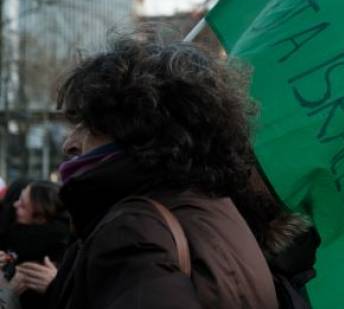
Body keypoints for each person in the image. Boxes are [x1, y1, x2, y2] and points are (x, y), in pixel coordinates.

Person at [44, 34, 313, 309]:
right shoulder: (218, 210)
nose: (69, 144)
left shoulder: (133, 230)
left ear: (137, 130)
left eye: (87, 127)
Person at [0, 182, 69, 309]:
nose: (15, 205)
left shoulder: (59, 256)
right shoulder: (13, 241)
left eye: (23, 205)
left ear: (40, 218)